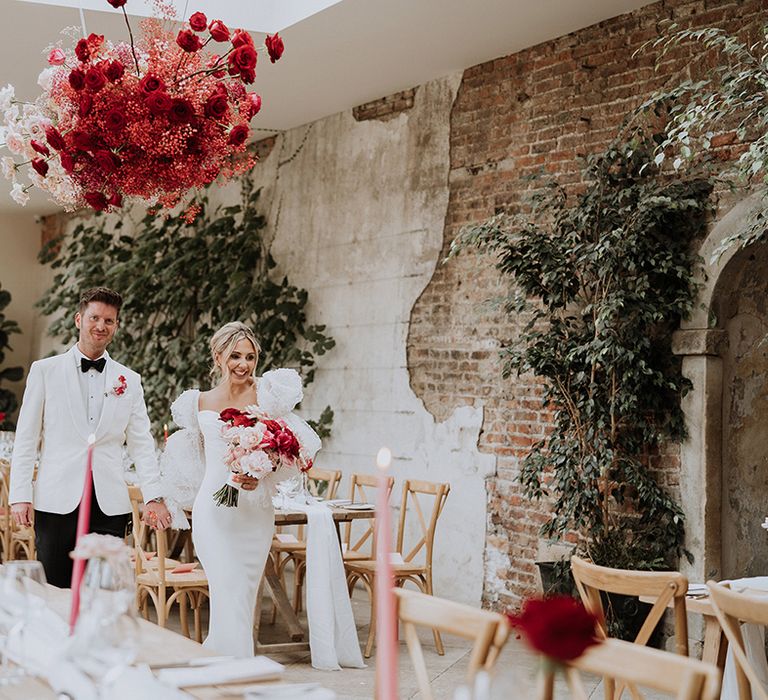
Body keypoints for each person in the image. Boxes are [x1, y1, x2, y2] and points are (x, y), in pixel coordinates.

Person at [161, 321, 321, 657]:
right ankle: (237, 671)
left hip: (254, 512)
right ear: (218, 357)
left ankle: (223, 667)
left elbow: (295, 449)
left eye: (250, 357)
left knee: (243, 595)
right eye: (235, 356)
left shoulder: (268, 395)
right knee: (227, 587)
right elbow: (190, 456)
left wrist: (264, 470)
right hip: (213, 511)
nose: (243, 364)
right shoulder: (197, 402)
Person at [9, 287, 171, 588]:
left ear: (116, 326)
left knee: (103, 591)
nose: (101, 326)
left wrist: (153, 496)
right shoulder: (45, 371)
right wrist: (20, 495)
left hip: (108, 503)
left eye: (109, 320)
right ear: (78, 319)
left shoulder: (130, 380)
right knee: (55, 587)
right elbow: (27, 438)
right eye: (94, 318)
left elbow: (142, 444)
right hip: (56, 500)